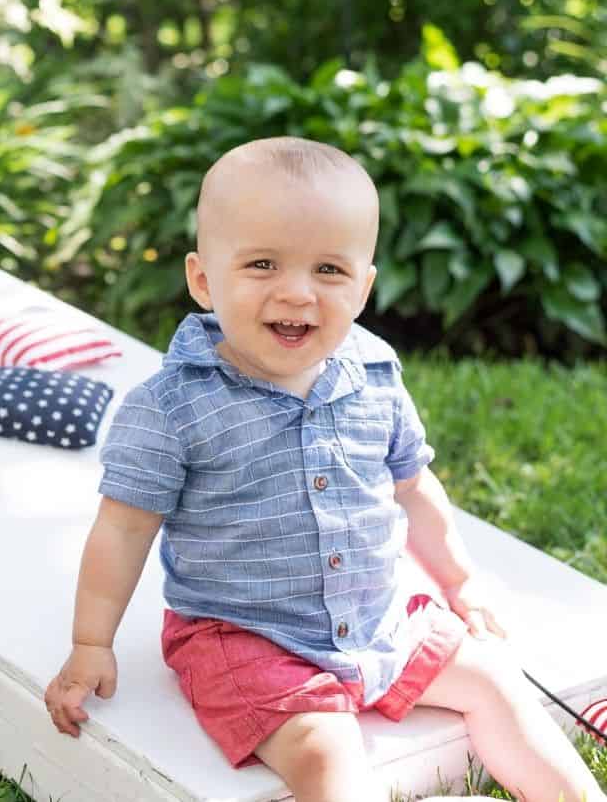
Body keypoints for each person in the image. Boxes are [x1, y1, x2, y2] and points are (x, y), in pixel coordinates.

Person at [44, 137, 606, 802]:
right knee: (325, 753)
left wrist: (462, 581)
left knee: (493, 682)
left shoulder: (375, 374)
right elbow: (124, 529)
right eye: (261, 263)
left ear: (363, 287)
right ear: (203, 279)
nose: (297, 292)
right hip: (248, 638)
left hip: (379, 620)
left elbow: (413, 486)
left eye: (330, 271)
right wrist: (90, 642)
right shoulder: (173, 407)